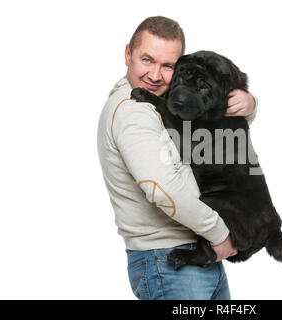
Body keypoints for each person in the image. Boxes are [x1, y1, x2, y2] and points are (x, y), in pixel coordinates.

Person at [97, 16, 257, 300]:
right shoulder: (133, 112)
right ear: (127, 55)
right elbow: (164, 189)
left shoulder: (167, 97)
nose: (155, 75)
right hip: (168, 261)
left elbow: (217, 123)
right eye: (147, 60)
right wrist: (220, 235)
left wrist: (249, 103)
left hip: (196, 254)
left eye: (167, 65)